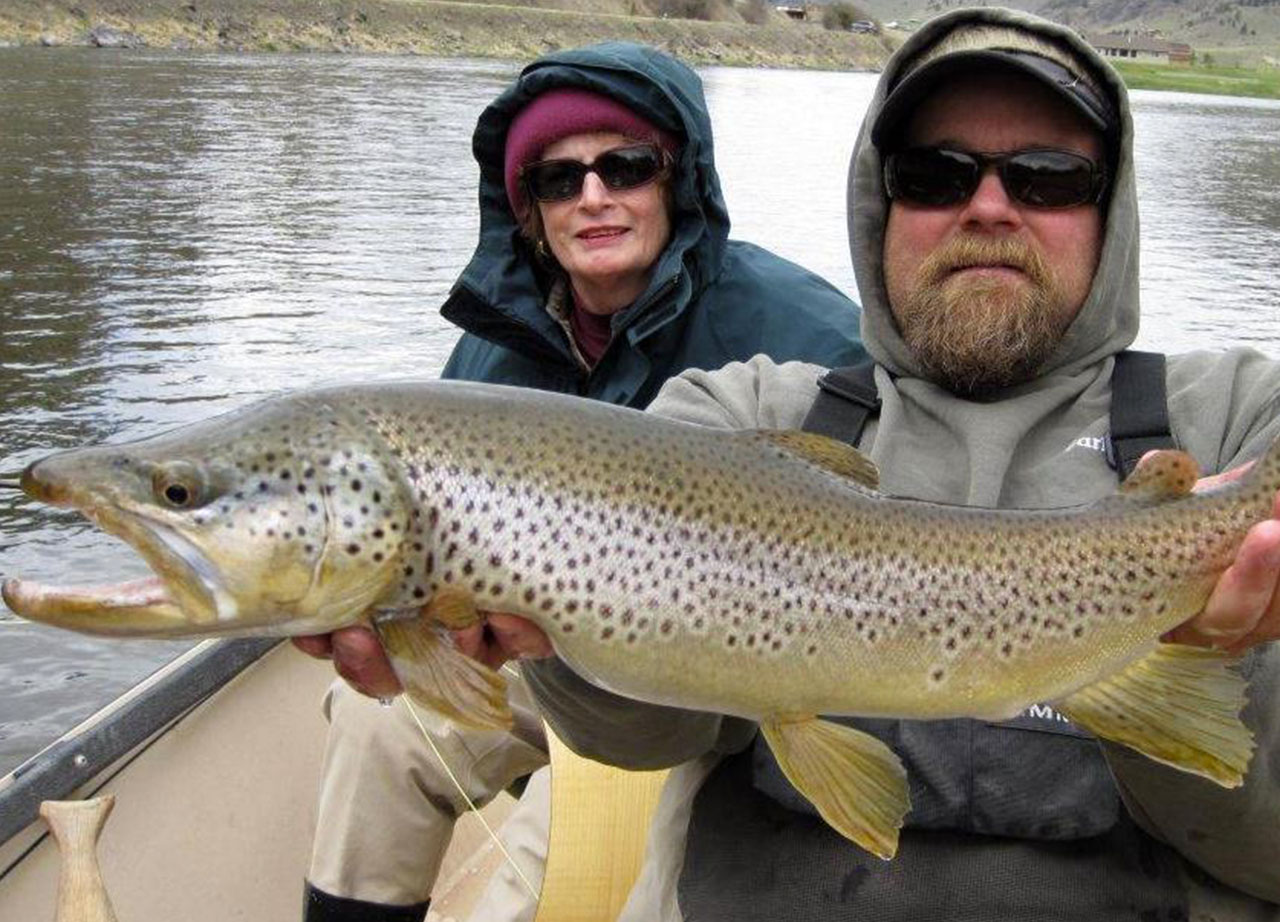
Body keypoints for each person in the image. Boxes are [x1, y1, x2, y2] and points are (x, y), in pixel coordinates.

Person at [320, 8, 1280, 919]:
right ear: (880, 200)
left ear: (1112, 211)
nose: (988, 208)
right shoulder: (738, 412)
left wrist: (1200, 645)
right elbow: (640, 736)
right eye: (936, 173)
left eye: (1047, 177)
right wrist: (549, 628)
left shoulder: (1241, 422)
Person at [294, 41, 866, 922]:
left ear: (676, 182)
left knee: (550, 861)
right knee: (372, 724)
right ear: (531, 213)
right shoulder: (491, 350)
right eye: (560, 181)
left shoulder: (807, 332)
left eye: (625, 167)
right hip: (527, 650)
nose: (593, 196)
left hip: (713, 674)